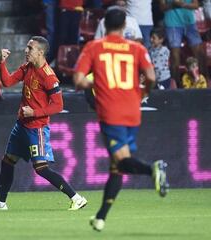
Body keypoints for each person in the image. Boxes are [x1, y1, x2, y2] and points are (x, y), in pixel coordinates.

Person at [73, 7, 169, 231]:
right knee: (117, 167)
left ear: (104, 25)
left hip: (111, 111)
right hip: (133, 110)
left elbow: (78, 80)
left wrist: (96, 84)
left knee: (122, 161)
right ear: (125, 26)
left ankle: (153, 169)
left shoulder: (94, 47)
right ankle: (100, 217)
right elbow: (152, 77)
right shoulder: (136, 47)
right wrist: (143, 92)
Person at [0, 36, 87, 211]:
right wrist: (2, 63)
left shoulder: (49, 77)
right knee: (7, 161)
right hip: (21, 125)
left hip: (37, 129)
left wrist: (34, 112)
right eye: (27, 47)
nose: (26, 51)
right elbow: (7, 82)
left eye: (30, 48)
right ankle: (0, 204)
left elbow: (59, 105)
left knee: (41, 168)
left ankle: (77, 198)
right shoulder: (28, 67)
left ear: (40, 52)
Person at [159, 0, 207, 87]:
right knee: (174, 56)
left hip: (189, 23)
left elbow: (196, 5)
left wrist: (182, 4)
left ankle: (204, 82)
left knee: (200, 53)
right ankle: (175, 86)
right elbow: (162, 7)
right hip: (172, 23)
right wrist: (173, 4)